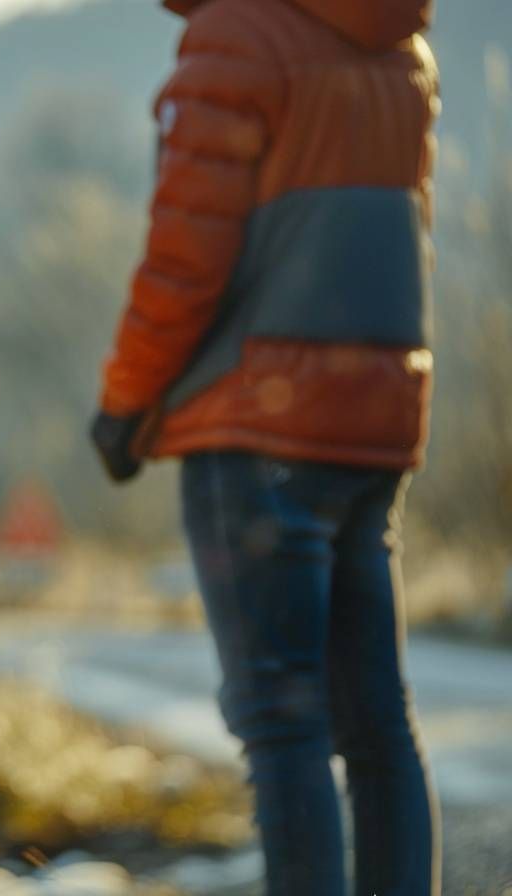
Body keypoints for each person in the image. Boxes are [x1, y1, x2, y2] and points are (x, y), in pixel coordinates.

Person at [89, 1, 440, 893]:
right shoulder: (401, 49)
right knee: (378, 726)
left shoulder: (236, 37)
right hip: (376, 413)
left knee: (282, 725)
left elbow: (184, 257)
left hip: (258, 422)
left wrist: (126, 399)